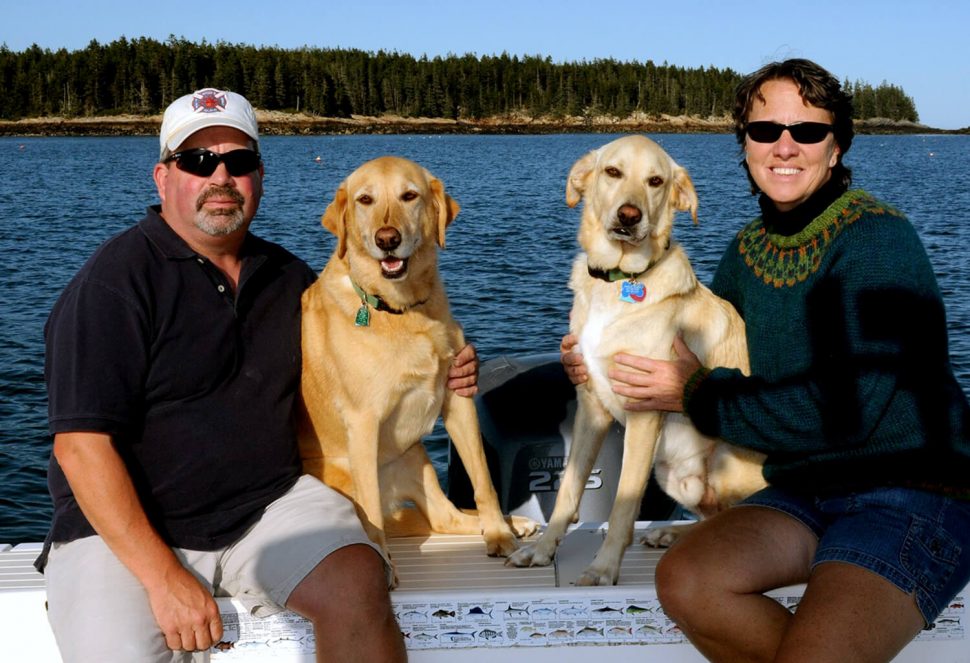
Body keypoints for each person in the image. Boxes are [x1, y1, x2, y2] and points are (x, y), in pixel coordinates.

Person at [39, 87, 479, 662]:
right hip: (123, 531)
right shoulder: (114, 284)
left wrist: (449, 367)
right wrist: (163, 577)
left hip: (266, 504)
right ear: (162, 178)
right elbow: (80, 448)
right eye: (198, 161)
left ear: (259, 177)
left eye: (239, 161)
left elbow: (376, 345)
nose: (220, 176)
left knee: (357, 581)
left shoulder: (290, 279)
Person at [561, 59, 970, 662]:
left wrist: (691, 392)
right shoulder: (747, 251)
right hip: (801, 488)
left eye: (807, 131)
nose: (784, 146)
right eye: (763, 131)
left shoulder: (878, 240)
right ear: (745, 146)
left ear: (836, 148)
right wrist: (598, 367)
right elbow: (703, 350)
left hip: (908, 492)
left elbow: (845, 415)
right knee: (687, 579)